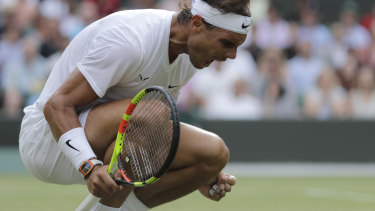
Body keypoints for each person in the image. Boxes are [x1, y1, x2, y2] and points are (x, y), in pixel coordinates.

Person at [18, 0, 251, 210]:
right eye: (227, 43)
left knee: (213, 154)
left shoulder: (191, 54)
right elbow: (57, 105)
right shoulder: (130, 39)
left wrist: (196, 173)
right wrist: (88, 165)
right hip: (48, 143)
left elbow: (155, 133)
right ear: (197, 24)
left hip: (106, 141)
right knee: (152, 112)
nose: (231, 55)